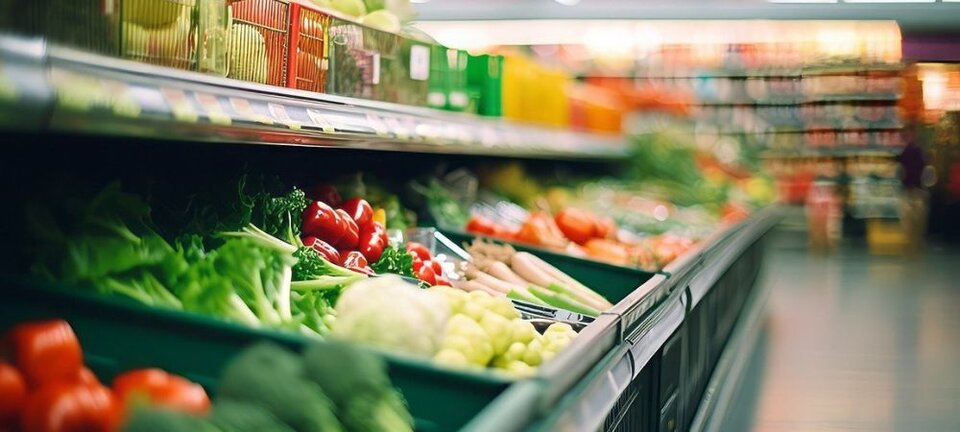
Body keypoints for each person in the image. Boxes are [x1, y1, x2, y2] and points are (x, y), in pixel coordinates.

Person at [897, 125, 928, 254]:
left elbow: (911, 170)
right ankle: (914, 244)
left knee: (910, 219)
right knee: (914, 219)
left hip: (911, 189)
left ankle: (912, 244)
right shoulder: (916, 150)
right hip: (914, 188)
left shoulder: (909, 151)